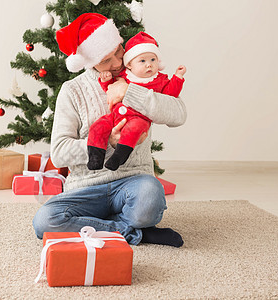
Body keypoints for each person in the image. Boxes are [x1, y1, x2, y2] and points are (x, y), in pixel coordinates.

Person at [32, 13, 187, 247]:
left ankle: (95, 226)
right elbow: (60, 153)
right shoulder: (72, 90)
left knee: (151, 196)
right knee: (44, 221)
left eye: (119, 51)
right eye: (106, 60)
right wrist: (107, 143)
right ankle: (133, 231)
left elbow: (178, 115)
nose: (116, 63)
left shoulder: (144, 77)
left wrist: (130, 92)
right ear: (90, 61)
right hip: (85, 189)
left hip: (132, 183)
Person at [88, 31, 186, 171]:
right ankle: (95, 158)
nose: (149, 65)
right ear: (130, 65)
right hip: (115, 116)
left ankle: (119, 157)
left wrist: (178, 77)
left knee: (134, 129)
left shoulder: (159, 79)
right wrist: (106, 80)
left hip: (138, 118)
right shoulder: (125, 75)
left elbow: (171, 95)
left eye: (153, 60)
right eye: (142, 61)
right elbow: (111, 89)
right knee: (98, 126)